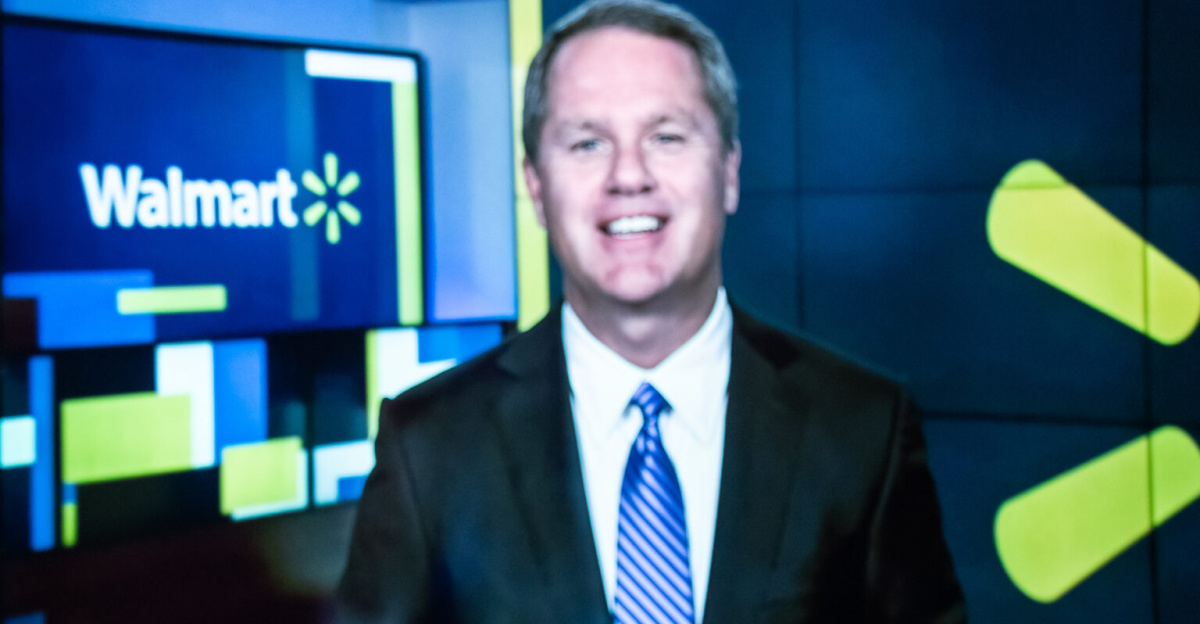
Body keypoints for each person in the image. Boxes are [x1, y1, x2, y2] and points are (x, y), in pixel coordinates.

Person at [336, 0, 966, 622]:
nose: (629, 176)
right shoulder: (428, 445)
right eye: (588, 143)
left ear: (729, 172)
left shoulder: (864, 428)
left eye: (666, 137)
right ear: (536, 188)